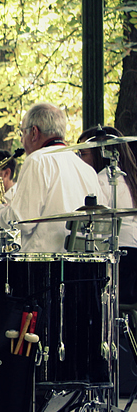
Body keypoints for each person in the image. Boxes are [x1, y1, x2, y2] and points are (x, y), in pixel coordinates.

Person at [0, 104, 100, 253]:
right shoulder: (88, 170)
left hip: (44, 264)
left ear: (34, 132)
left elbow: (22, 221)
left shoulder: (37, 160)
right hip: (80, 264)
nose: (22, 141)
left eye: (22, 133)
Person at [77, 126, 137, 303]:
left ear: (100, 154)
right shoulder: (130, 179)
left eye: (83, 154)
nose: (80, 160)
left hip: (121, 263)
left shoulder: (102, 181)